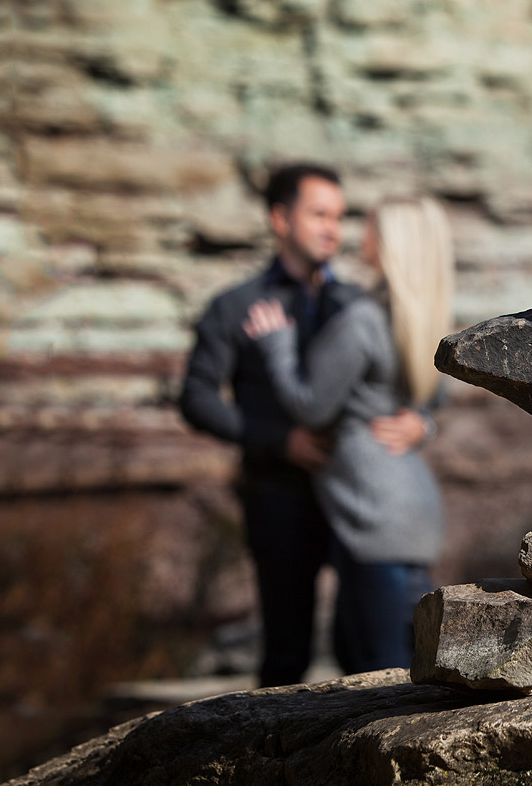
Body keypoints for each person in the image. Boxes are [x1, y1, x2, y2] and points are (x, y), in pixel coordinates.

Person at [243, 196, 453, 672]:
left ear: (392, 244)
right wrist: (425, 423)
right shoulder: (419, 316)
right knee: (385, 659)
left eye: (371, 227)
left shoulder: (363, 319)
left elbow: (311, 406)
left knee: (380, 671)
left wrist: (276, 347)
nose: (359, 237)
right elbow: (437, 395)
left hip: (372, 512)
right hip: (411, 509)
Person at [179, 163, 368, 687]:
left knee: (369, 651)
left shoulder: (356, 305)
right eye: (319, 214)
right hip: (276, 494)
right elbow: (195, 397)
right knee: (286, 655)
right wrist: (280, 440)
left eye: (340, 216)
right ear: (280, 220)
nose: (333, 228)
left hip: (355, 492)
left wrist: (419, 423)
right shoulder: (235, 306)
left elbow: (398, 387)